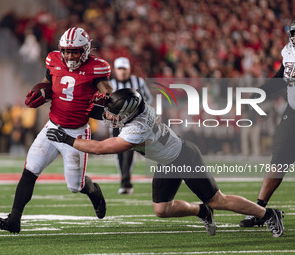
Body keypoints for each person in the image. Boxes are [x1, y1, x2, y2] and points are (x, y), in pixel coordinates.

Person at [46, 88, 285, 237]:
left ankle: (268, 215)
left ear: (127, 115)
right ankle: (202, 211)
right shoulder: (136, 107)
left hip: (183, 157)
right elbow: (109, 108)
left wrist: (67, 139)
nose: (110, 117)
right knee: (162, 209)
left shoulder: (136, 131)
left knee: (217, 199)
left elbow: (99, 148)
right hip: (168, 160)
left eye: (116, 115)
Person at [0, 27, 113, 233]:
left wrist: (109, 98)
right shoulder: (53, 60)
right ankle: (14, 219)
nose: (69, 56)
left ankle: (94, 191)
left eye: (74, 51)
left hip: (76, 134)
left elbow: (107, 90)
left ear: (84, 51)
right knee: (30, 170)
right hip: (52, 126)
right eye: (66, 51)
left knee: (75, 186)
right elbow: (49, 84)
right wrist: (40, 91)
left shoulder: (96, 68)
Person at [239, 18, 295, 227]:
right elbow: (281, 77)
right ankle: (260, 211)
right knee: (278, 161)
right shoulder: (288, 51)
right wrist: (259, 92)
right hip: (292, 112)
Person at [110, 57, 153, 194]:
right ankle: (125, 179)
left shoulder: (138, 82)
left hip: (134, 122)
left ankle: (125, 182)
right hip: (116, 124)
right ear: (115, 70)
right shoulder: (109, 84)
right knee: (119, 153)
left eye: (124, 69)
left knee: (128, 150)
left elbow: (148, 99)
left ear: (129, 70)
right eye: (119, 69)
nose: (122, 72)